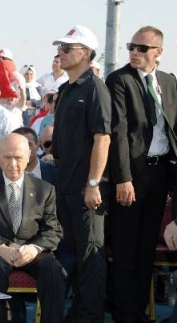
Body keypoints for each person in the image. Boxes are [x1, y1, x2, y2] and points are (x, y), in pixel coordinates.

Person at [105, 26, 177, 323]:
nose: (134, 53)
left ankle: (139, 311)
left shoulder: (168, 81)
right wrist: (123, 178)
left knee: (146, 248)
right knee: (126, 248)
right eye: (131, 46)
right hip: (131, 177)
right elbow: (119, 133)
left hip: (162, 174)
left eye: (142, 48)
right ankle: (125, 314)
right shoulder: (119, 80)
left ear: (158, 53)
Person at [0, 133, 66, 323]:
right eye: (7, 157)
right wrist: (0, 248)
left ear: (29, 156)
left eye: (18, 157)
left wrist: (34, 248)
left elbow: (53, 230)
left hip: (30, 250)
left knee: (54, 269)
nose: (13, 164)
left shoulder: (45, 189)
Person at [52, 25, 111, 322]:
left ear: (86, 53)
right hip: (64, 187)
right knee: (71, 254)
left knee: (91, 256)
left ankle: (90, 316)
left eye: (67, 47)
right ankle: (77, 313)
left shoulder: (95, 88)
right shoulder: (64, 90)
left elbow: (103, 138)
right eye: (60, 47)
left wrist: (93, 183)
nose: (60, 52)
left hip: (87, 190)